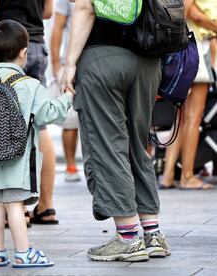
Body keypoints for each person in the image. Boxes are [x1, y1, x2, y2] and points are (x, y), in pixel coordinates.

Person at [61, 0, 170, 261]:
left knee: (107, 144)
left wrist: (70, 64)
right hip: (148, 60)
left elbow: (86, 7)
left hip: (103, 57)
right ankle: (152, 234)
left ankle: (128, 238)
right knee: (137, 144)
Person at [0, 19, 72, 267]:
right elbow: (50, 114)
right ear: (24, 53)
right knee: (14, 205)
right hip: (17, 161)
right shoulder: (29, 85)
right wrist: (67, 98)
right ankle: (24, 253)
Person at [0, 0, 59, 225]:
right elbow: (48, 12)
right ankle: (45, 205)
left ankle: (14, 207)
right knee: (38, 124)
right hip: (35, 43)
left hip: (4, 43)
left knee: (2, 122)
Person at [160, 0, 216, 190]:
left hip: (187, 48)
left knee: (181, 117)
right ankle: (187, 176)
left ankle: (168, 176)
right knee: (194, 117)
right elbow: (189, 10)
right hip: (197, 47)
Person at [51, 0, 81, 182]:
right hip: (71, 58)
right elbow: (58, 25)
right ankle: (71, 165)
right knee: (70, 117)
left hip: (96, 55)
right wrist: (56, 63)